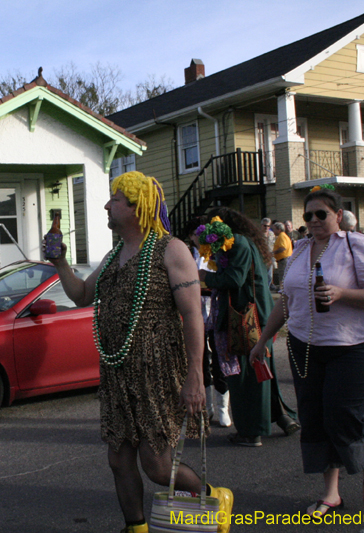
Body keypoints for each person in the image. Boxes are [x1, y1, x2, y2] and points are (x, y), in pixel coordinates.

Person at [49, 171, 228, 533]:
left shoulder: (170, 249)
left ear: (136, 207)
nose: (106, 206)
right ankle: (136, 527)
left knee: (158, 466)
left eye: (114, 200)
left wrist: (195, 376)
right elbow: (83, 295)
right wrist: (60, 262)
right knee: (118, 459)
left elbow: (194, 315)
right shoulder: (115, 254)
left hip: (157, 371)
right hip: (118, 372)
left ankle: (213, 496)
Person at [251, 187, 364, 517]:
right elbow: (285, 301)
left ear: (338, 216)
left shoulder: (358, 245)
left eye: (321, 214)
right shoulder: (299, 250)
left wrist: (342, 293)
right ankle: (331, 494)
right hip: (305, 345)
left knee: (340, 414)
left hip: (354, 345)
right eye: (308, 215)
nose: (313, 221)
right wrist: (263, 340)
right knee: (314, 418)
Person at [199, 208, 299, 447]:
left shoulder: (238, 243)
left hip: (245, 319)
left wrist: (205, 276)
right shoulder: (244, 242)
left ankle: (251, 431)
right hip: (256, 316)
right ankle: (282, 418)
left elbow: (234, 279)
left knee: (245, 375)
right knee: (262, 371)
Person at [186, 217, 231, 428]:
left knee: (220, 361)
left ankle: (223, 409)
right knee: (200, 361)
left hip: (214, 309)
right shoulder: (186, 254)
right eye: (195, 233)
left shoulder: (215, 252)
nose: (198, 237)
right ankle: (208, 408)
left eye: (201, 232)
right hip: (194, 313)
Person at [272, 222, 292, 287]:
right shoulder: (283, 236)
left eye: (274, 229)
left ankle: (283, 291)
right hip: (284, 259)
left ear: (279, 229)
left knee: (283, 276)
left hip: (284, 260)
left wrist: (273, 253)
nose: (273, 231)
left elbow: (282, 248)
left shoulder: (282, 236)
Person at [262, 218, 276, 290]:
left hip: (270, 256)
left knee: (270, 274)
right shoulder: (259, 234)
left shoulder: (271, 234)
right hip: (262, 256)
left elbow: (274, 243)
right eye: (265, 226)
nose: (266, 227)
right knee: (263, 273)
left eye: (268, 226)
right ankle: (264, 289)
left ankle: (267, 288)